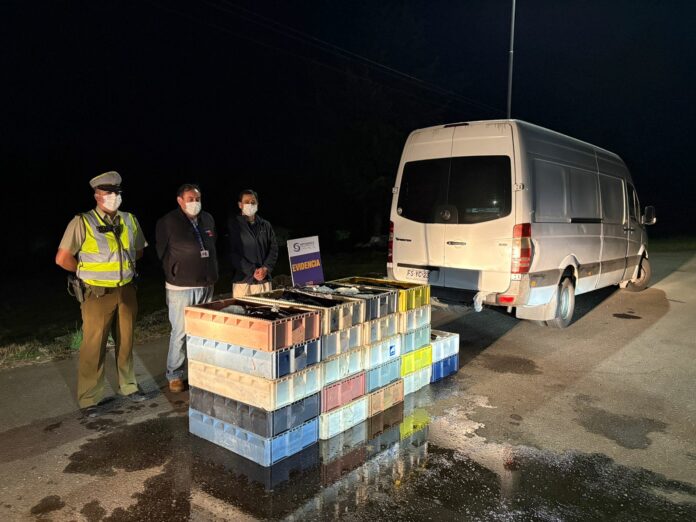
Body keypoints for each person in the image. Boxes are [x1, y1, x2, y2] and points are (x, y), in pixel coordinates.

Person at [55, 171, 148, 416]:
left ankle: (129, 386)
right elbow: (63, 258)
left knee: (126, 341)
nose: (113, 196)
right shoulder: (82, 221)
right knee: (93, 347)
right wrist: (85, 272)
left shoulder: (130, 219)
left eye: (117, 192)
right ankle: (89, 399)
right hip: (97, 294)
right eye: (108, 192)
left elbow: (138, 251)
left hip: (126, 289)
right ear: (97, 195)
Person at [155, 183, 218, 393]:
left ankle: (201, 371)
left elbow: (212, 245)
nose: (195, 202)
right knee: (180, 332)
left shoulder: (207, 219)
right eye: (190, 199)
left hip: (206, 284)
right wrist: (174, 271)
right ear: (180, 200)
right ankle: (174, 374)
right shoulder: (168, 222)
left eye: (197, 199)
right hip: (180, 287)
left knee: (203, 331)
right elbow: (161, 252)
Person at [227, 189, 278, 297]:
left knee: (266, 308)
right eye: (246, 202)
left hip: (264, 280)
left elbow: (273, 249)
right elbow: (232, 253)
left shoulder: (265, 225)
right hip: (243, 281)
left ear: (257, 204)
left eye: (253, 202)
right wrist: (252, 270)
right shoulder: (234, 226)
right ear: (240, 205)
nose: (250, 204)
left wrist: (265, 268)